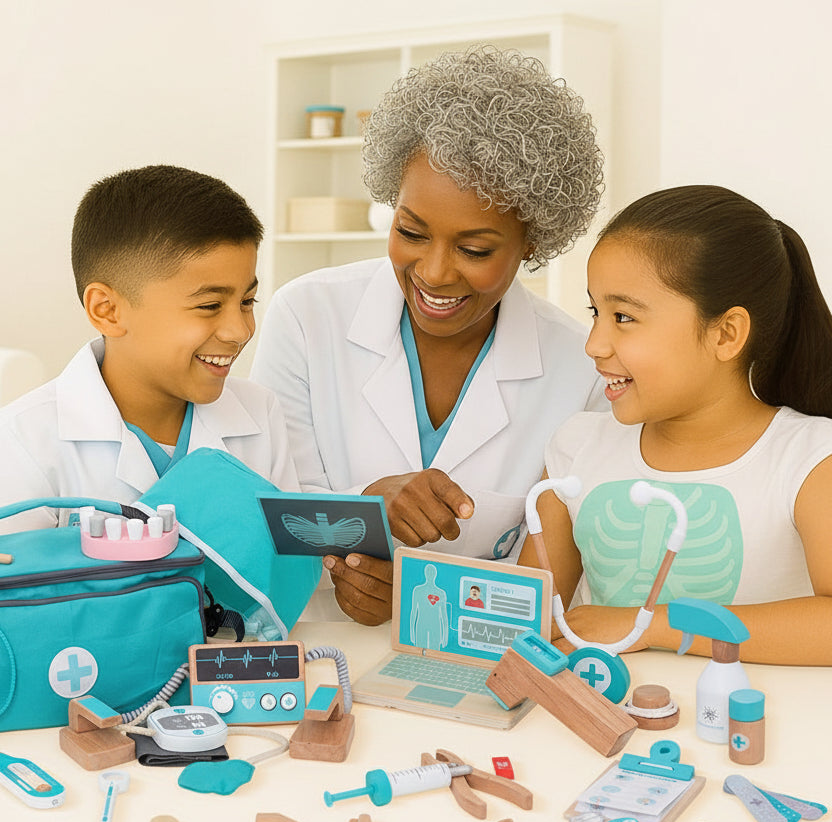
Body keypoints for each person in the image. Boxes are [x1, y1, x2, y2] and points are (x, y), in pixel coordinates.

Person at [251, 47, 606, 624]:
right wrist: (362, 516)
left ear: (533, 242)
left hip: (482, 655)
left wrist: (420, 593)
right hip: (320, 642)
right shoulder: (306, 316)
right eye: (411, 232)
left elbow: (556, 579)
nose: (435, 273)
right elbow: (269, 511)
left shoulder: (581, 367)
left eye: (475, 250)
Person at [519, 184, 832, 666]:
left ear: (725, 334)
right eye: (595, 312)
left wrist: (652, 625)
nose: (594, 344)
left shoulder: (811, 461)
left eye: (624, 317)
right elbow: (527, 619)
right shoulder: (576, 448)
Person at [0, 164, 299, 532]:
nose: (239, 330)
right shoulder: (20, 443)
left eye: (247, 301)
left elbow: (288, 559)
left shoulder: (259, 413)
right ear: (107, 310)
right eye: (209, 305)